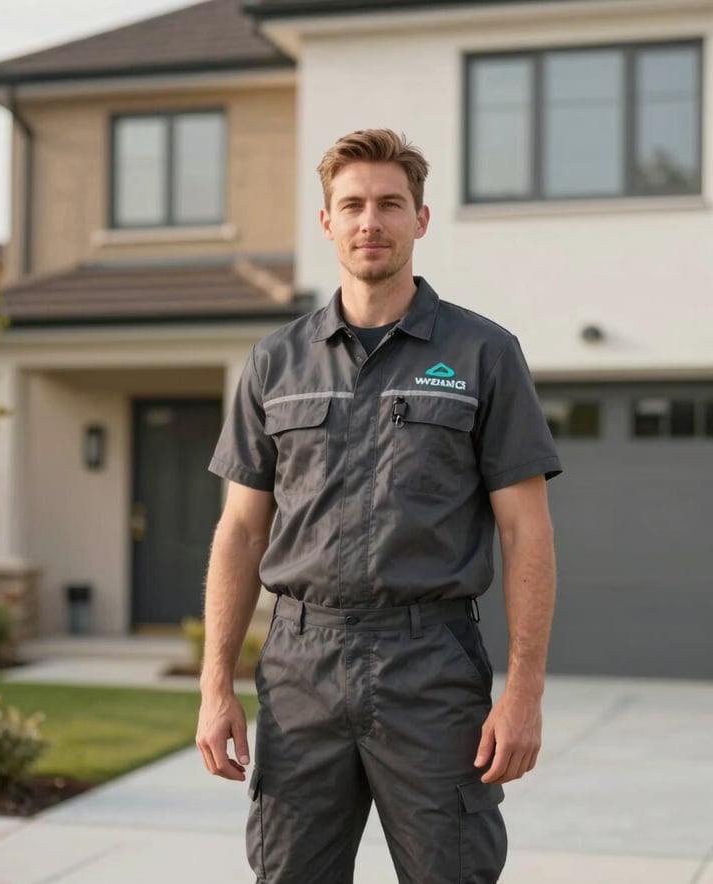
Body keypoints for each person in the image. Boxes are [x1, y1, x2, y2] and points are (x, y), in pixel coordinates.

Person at [196, 128, 561, 884]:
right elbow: (238, 531)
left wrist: (524, 691)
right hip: (299, 667)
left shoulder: (482, 355)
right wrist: (214, 686)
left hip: (431, 666)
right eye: (353, 205)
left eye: (391, 204)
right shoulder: (275, 362)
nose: (372, 222)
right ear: (326, 222)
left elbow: (527, 531)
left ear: (420, 220)